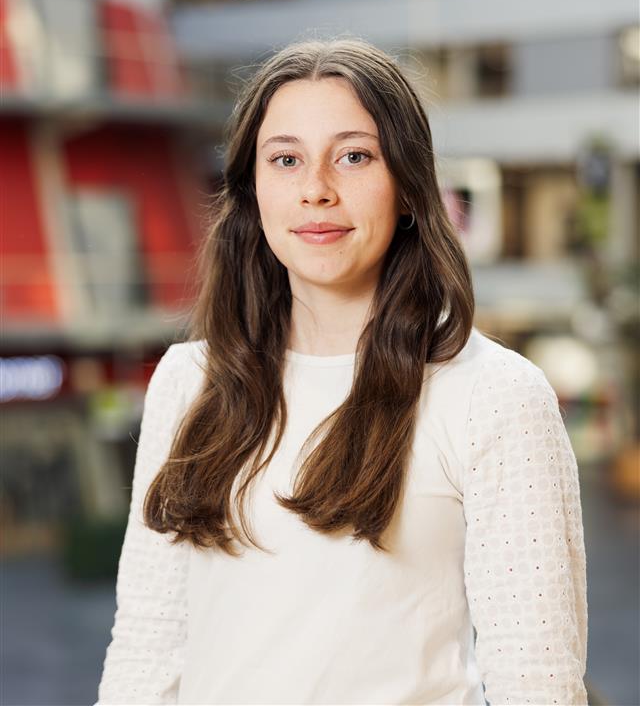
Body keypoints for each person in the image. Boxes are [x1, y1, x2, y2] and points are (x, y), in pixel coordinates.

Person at [96, 38, 588, 705]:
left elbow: (538, 685)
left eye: (354, 156)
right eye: (286, 159)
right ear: (251, 190)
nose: (316, 190)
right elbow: (148, 645)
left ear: (409, 187)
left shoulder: (493, 396)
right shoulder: (189, 382)